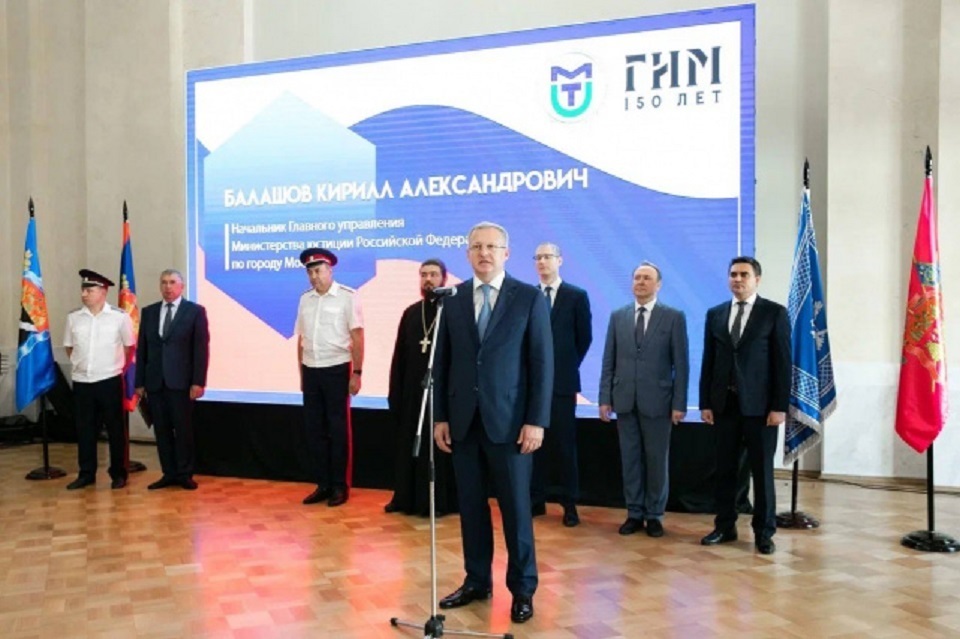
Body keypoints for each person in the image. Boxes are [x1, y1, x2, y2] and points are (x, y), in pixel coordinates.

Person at [433, 221, 552, 625]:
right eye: (477, 246)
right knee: (470, 508)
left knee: (516, 511)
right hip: (463, 423)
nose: (484, 253)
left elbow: (542, 364)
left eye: (492, 247)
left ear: (506, 253)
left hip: (511, 424)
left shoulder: (528, 297)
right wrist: (441, 416)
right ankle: (476, 580)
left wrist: (536, 420)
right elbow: (443, 363)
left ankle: (523, 589)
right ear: (467, 253)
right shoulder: (453, 299)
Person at [699, 256, 790, 555]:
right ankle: (725, 526)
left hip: (761, 410)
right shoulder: (715, 314)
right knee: (724, 470)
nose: (737, 279)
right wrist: (705, 402)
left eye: (744, 275)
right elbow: (709, 361)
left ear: (757, 280)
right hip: (724, 406)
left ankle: (764, 532)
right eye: (733, 274)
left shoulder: (774, 313)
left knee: (762, 472)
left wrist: (779, 406)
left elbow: (782, 363)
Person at [599, 262, 689, 538]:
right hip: (624, 400)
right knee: (630, 460)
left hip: (659, 402)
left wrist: (679, 403)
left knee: (656, 461)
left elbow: (681, 364)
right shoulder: (618, 316)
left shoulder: (673, 317)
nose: (640, 282)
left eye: (647, 278)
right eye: (637, 277)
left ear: (658, 285)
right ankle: (634, 513)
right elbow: (608, 360)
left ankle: (655, 515)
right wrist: (604, 398)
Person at [384, 259, 458, 517]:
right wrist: (395, 393)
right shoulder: (412, 313)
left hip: (442, 394)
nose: (428, 279)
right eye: (424, 274)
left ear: (444, 279)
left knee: (438, 446)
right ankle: (405, 497)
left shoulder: (453, 312)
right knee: (409, 444)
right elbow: (399, 357)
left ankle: (440, 501)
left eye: (433, 274)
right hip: (413, 393)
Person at [529, 242, 592, 527]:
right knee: (531, 445)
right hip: (531, 385)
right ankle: (535, 499)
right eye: (538, 257)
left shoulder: (576, 296)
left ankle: (569, 504)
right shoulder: (529, 296)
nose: (542, 261)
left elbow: (584, 338)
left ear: (560, 260)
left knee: (564, 447)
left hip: (562, 384)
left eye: (547, 257)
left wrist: (563, 366)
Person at [295, 248, 364, 507]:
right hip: (311, 369)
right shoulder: (305, 299)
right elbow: (301, 340)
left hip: (337, 368)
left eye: (318, 271)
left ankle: (339, 486)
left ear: (330, 270)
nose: (314, 276)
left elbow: (357, 337)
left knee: (338, 430)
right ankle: (322, 484)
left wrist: (357, 372)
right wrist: (302, 374)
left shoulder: (347, 296)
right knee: (315, 430)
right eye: (310, 272)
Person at [135, 269, 210, 490]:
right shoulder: (149, 312)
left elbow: (200, 350)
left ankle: (185, 474)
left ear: (181, 286)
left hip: (182, 383)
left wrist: (198, 381)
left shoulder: (194, 312)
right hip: (155, 383)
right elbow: (142, 350)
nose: (168, 287)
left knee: (183, 430)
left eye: (172, 282)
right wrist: (139, 382)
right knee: (161, 431)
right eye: (164, 282)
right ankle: (168, 473)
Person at [64, 270, 136, 490]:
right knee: (85, 429)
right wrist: (81, 364)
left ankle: (118, 473)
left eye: (90, 290)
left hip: (109, 380)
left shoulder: (119, 317)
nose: (84, 294)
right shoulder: (73, 317)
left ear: (103, 292)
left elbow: (129, 347)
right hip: (82, 382)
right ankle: (86, 473)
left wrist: (114, 367)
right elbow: (69, 347)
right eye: (83, 290)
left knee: (115, 429)